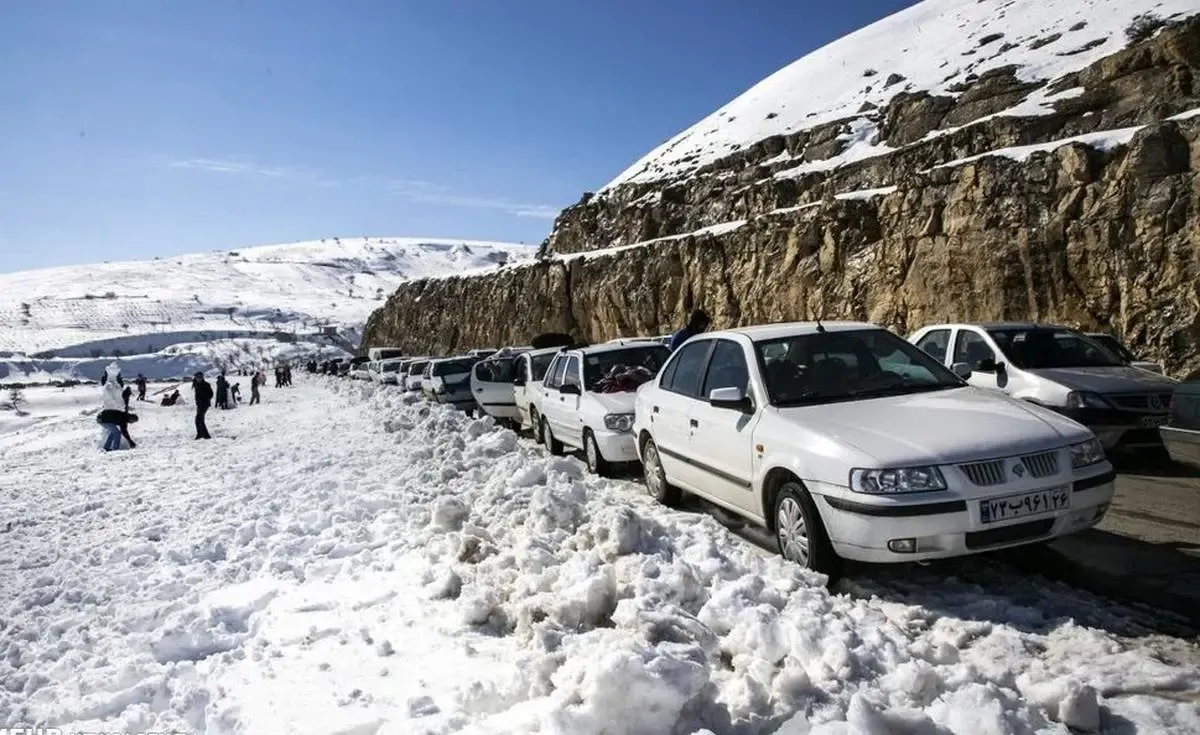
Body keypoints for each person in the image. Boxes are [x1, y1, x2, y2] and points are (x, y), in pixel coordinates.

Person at [98, 362, 127, 451]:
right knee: (114, 432)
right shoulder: (109, 386)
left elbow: (119, 397)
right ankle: (114, 447)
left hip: (113, 413)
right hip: (110, 413)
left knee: (113, 432)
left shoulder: (116, 385)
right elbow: (108, 398)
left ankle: (108, 446)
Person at [192, 372, 213, 439]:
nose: (199, 378)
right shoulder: (196, 384)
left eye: (200, 377)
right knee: (198, 420)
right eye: (197, 377)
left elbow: (211, 394)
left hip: (204, 404)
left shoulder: (206, 384)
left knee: (199, 419)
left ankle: (205, 435)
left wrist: (205, 399)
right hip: (199, 405)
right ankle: (200, 434)